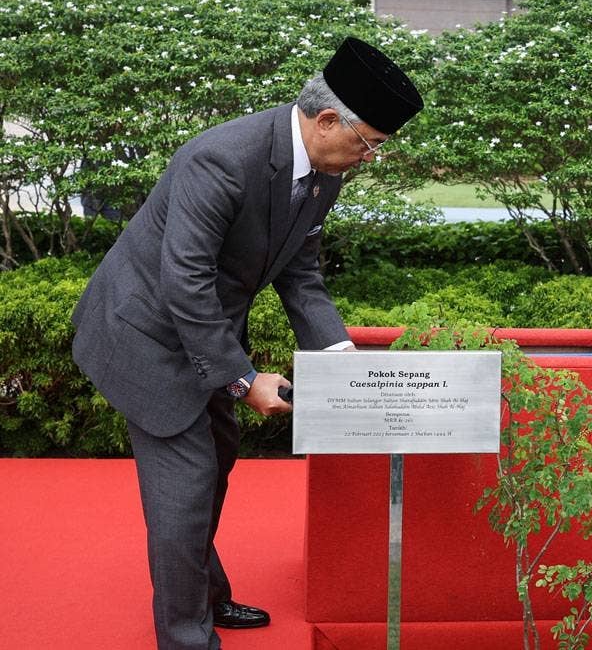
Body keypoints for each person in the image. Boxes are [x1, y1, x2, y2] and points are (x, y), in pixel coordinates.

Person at [71, 37, 423, 650]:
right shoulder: (222, 158)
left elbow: (299, 273)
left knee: (218, 464)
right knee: (185, 490)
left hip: (204, 334)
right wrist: (243, 378)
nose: (369, 157)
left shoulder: (324, 170)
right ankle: (187, 638)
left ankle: (206, 597)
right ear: (327, 119)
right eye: (367, 142)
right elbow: (185, 279)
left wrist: (339, 359)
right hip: (146, 336)